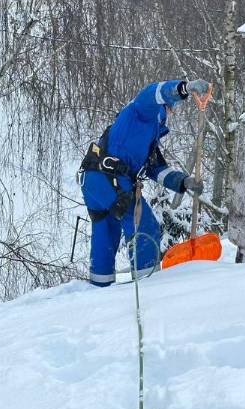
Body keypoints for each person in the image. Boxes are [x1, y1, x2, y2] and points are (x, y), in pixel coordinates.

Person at [79, 79, 210, 285]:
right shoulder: (141, 111)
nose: (171, 113)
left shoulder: (147, 136)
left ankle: (99, 286)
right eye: (169, 108)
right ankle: (148, 285)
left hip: (93, 180)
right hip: (109, 179)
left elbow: (155, 169)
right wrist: (183, 88)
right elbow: (152, 92)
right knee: (144, 226)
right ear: (163, 106)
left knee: (106, 230)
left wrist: (184, 182)